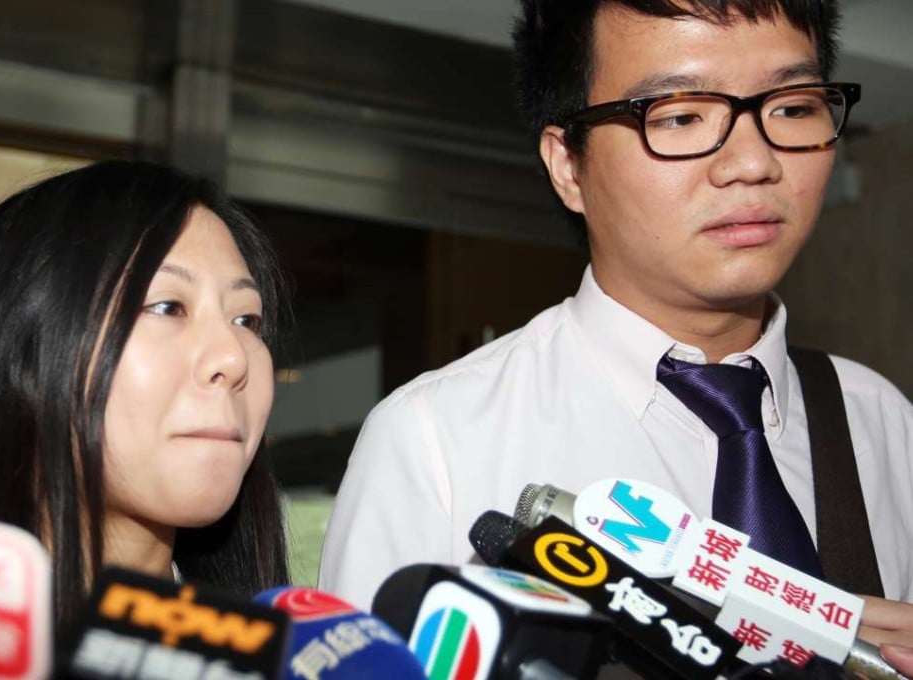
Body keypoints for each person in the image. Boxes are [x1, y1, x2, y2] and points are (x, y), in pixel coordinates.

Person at [319, 0, 913, 673]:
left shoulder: (878, 420)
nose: (752, 163)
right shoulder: (439, 438)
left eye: (792, 107)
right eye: (680, 117)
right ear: (568, 166)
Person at [0, 160, 291, 627]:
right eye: (168, 307)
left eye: (246, 320)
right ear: (28, 350)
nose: (232, 358)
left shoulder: (281, 652)